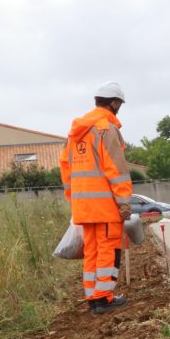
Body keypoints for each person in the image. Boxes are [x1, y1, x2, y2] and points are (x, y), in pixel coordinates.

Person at [59, 82, 134, 315]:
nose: (119, 108)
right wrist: (123, 202)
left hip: (84, 207)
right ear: (113, 103)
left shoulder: (75, 133)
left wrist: (75, 201)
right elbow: (116, 170)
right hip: (105, 207)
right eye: (119, 104)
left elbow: (66, 170)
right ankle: (104, 299)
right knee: (108, 250)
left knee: (91, 251)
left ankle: (93, 297)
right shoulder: (105, 129)